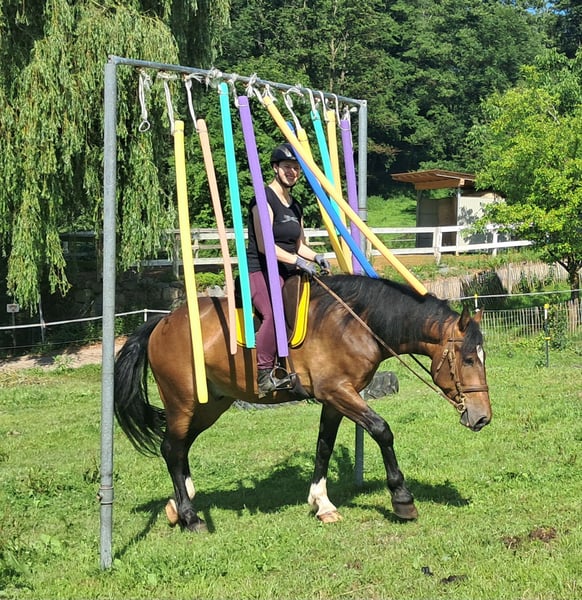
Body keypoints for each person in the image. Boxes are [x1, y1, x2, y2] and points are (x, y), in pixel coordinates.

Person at [246, 142, 330, 398]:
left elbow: (299, 245)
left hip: (288, 270)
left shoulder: (295, 205)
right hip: (260, 269)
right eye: (287, 167)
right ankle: (264, 374)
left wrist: (316, 257)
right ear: (275, 168)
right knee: (275, 314)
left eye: (296, 168)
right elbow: (266, 246)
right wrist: (298, 261)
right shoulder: (263, 199)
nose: (292, 172)